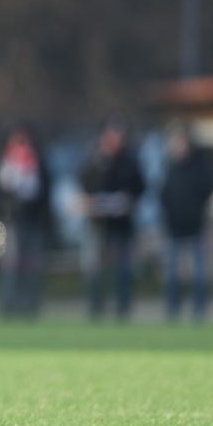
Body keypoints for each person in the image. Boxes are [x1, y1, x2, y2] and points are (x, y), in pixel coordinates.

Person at [80, 118, 145, 320]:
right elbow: (85, 184)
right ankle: (95, 310)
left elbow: (139, 187)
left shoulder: (130, 161)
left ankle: (122, 311)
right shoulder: (95, 159)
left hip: (121, 225)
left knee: (123, 271)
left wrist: (127, 201)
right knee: (95, 270)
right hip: (98, 224)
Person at [0, 125, 50, 318]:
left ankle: (30, 306)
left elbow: (43, 194)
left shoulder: (38, 165)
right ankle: (8, 305)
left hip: (32, 222)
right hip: (11, 222)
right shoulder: (5, 164)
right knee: (10, 264)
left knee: (32, 264)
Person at [159, 123, 213, 321]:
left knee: (198, 272)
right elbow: (163, 194)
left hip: (195, 225)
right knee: (172, 272)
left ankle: (199, 310)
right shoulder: (170, 167)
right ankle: (173, 310)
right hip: (174, 226)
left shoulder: (199, 167)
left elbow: (207, 189)